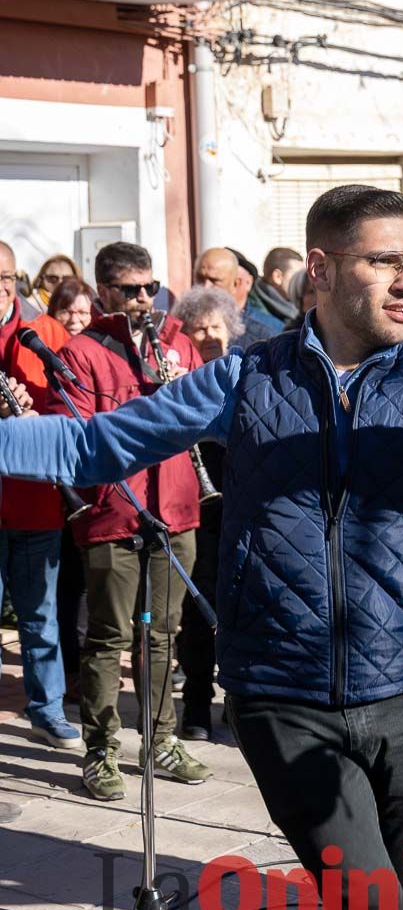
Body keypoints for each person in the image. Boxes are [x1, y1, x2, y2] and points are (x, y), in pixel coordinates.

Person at [0, 178, 403, 910]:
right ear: (320, 272)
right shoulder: (247, 379)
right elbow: (93, 446)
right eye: (383, 262)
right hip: (285, 699)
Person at [47, 242, 210, 801]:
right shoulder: (81, 353)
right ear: (104, 293)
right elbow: (81, 438)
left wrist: (182, 393)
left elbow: (206, 413)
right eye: (131, 289)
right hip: (114, 509)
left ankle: (161, 740)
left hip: (176, 506)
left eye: (151, 288)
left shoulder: (178, 344)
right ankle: (101, 750)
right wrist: (149, 406)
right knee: (108, 638)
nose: (145, 299)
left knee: (164, 634)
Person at [0, 242, 80, 749]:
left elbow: (72, 407)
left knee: (39, 612)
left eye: (6, 275)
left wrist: (33, 414)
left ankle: (47, 709)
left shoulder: (44, 332)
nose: (1, 287)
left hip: (33, 498)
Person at [171, 286, 243, 739]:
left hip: (238, 505)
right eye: (200, 328)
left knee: (239, 609)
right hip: (192, 509)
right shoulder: (178, 379)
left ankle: (237, 702)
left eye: (217, 327)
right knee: (197, 612)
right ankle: (196, 702)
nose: (210, 335)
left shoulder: (244, 371)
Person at [48, 276, 98, 703]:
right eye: (69, 312)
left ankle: (86, 667)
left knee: (85, 584)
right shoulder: (48, 354)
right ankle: (70, 670)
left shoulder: (93, 354)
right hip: (56, 493)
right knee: (69, 586)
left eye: (85, 311)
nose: (78, 320)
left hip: (94, 489)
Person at [194, 247, 275, 349]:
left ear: (235, 284)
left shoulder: (263, 335)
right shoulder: (184, 328)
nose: (205, 287)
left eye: (214, 281)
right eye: (200, 278)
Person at [248, 246, 304, 328]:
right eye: (297, 276)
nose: (303, 281)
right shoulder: (254, 312)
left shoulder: (296, 306)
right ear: (277, 277)